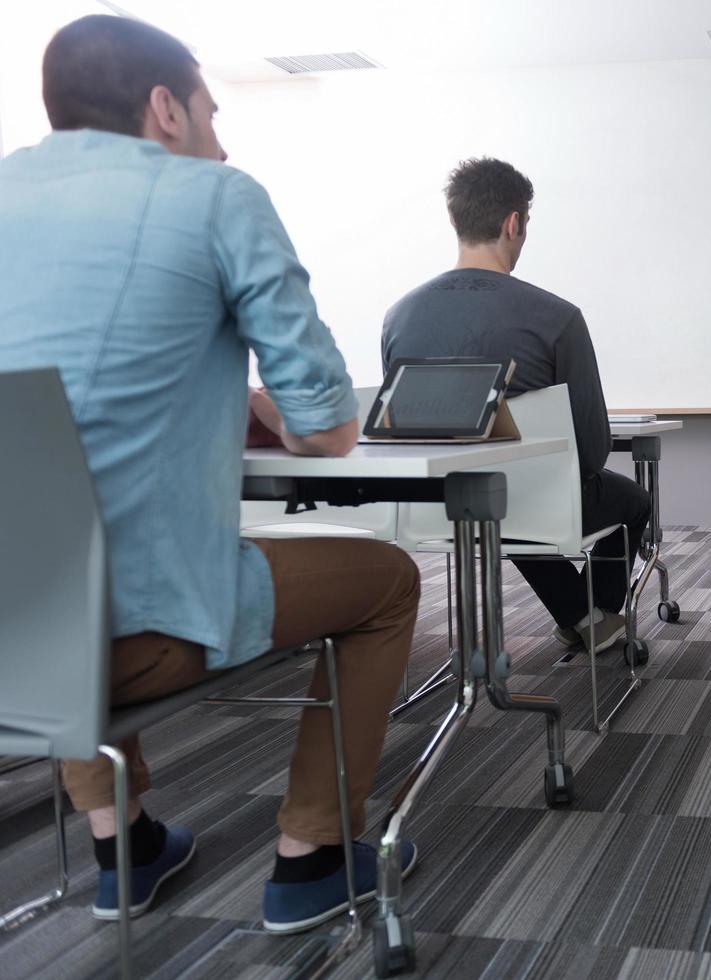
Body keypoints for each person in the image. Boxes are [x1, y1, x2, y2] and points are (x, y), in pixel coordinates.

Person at [0, 16, 421, 932]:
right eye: (210, 109)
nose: (220, 137)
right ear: (164, 108)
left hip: (15, 632)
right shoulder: (214, 194)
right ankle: (312, 854)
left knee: (41, 553)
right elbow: (330, 429)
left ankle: (124, 845)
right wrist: (274, 413)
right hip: (140, 631)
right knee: (388, 580)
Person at [382, 157, 650, 654]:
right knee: (630, 500)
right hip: (529, 503)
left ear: (455, 220)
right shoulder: (557, 317)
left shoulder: (398, 315)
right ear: (513, 223)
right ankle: (591, 617)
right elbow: (592, 453)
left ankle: (582, 616)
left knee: (503, 495)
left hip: (431, 508)